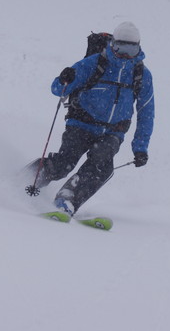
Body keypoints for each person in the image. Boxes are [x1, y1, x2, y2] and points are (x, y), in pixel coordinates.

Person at [34, 21, 155, 216]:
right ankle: (27, 179)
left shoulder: (142, 75)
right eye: (120, 47)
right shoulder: (95, 63)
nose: (124, 54)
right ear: (112, 44)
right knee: (64, 163)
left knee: (102, 165)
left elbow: (146, 112)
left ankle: (67, 199)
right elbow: (57, 89)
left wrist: (140, 147)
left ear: (139, 47)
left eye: (131, 49)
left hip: (113, 132)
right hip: (82, 123)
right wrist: (65, 78)